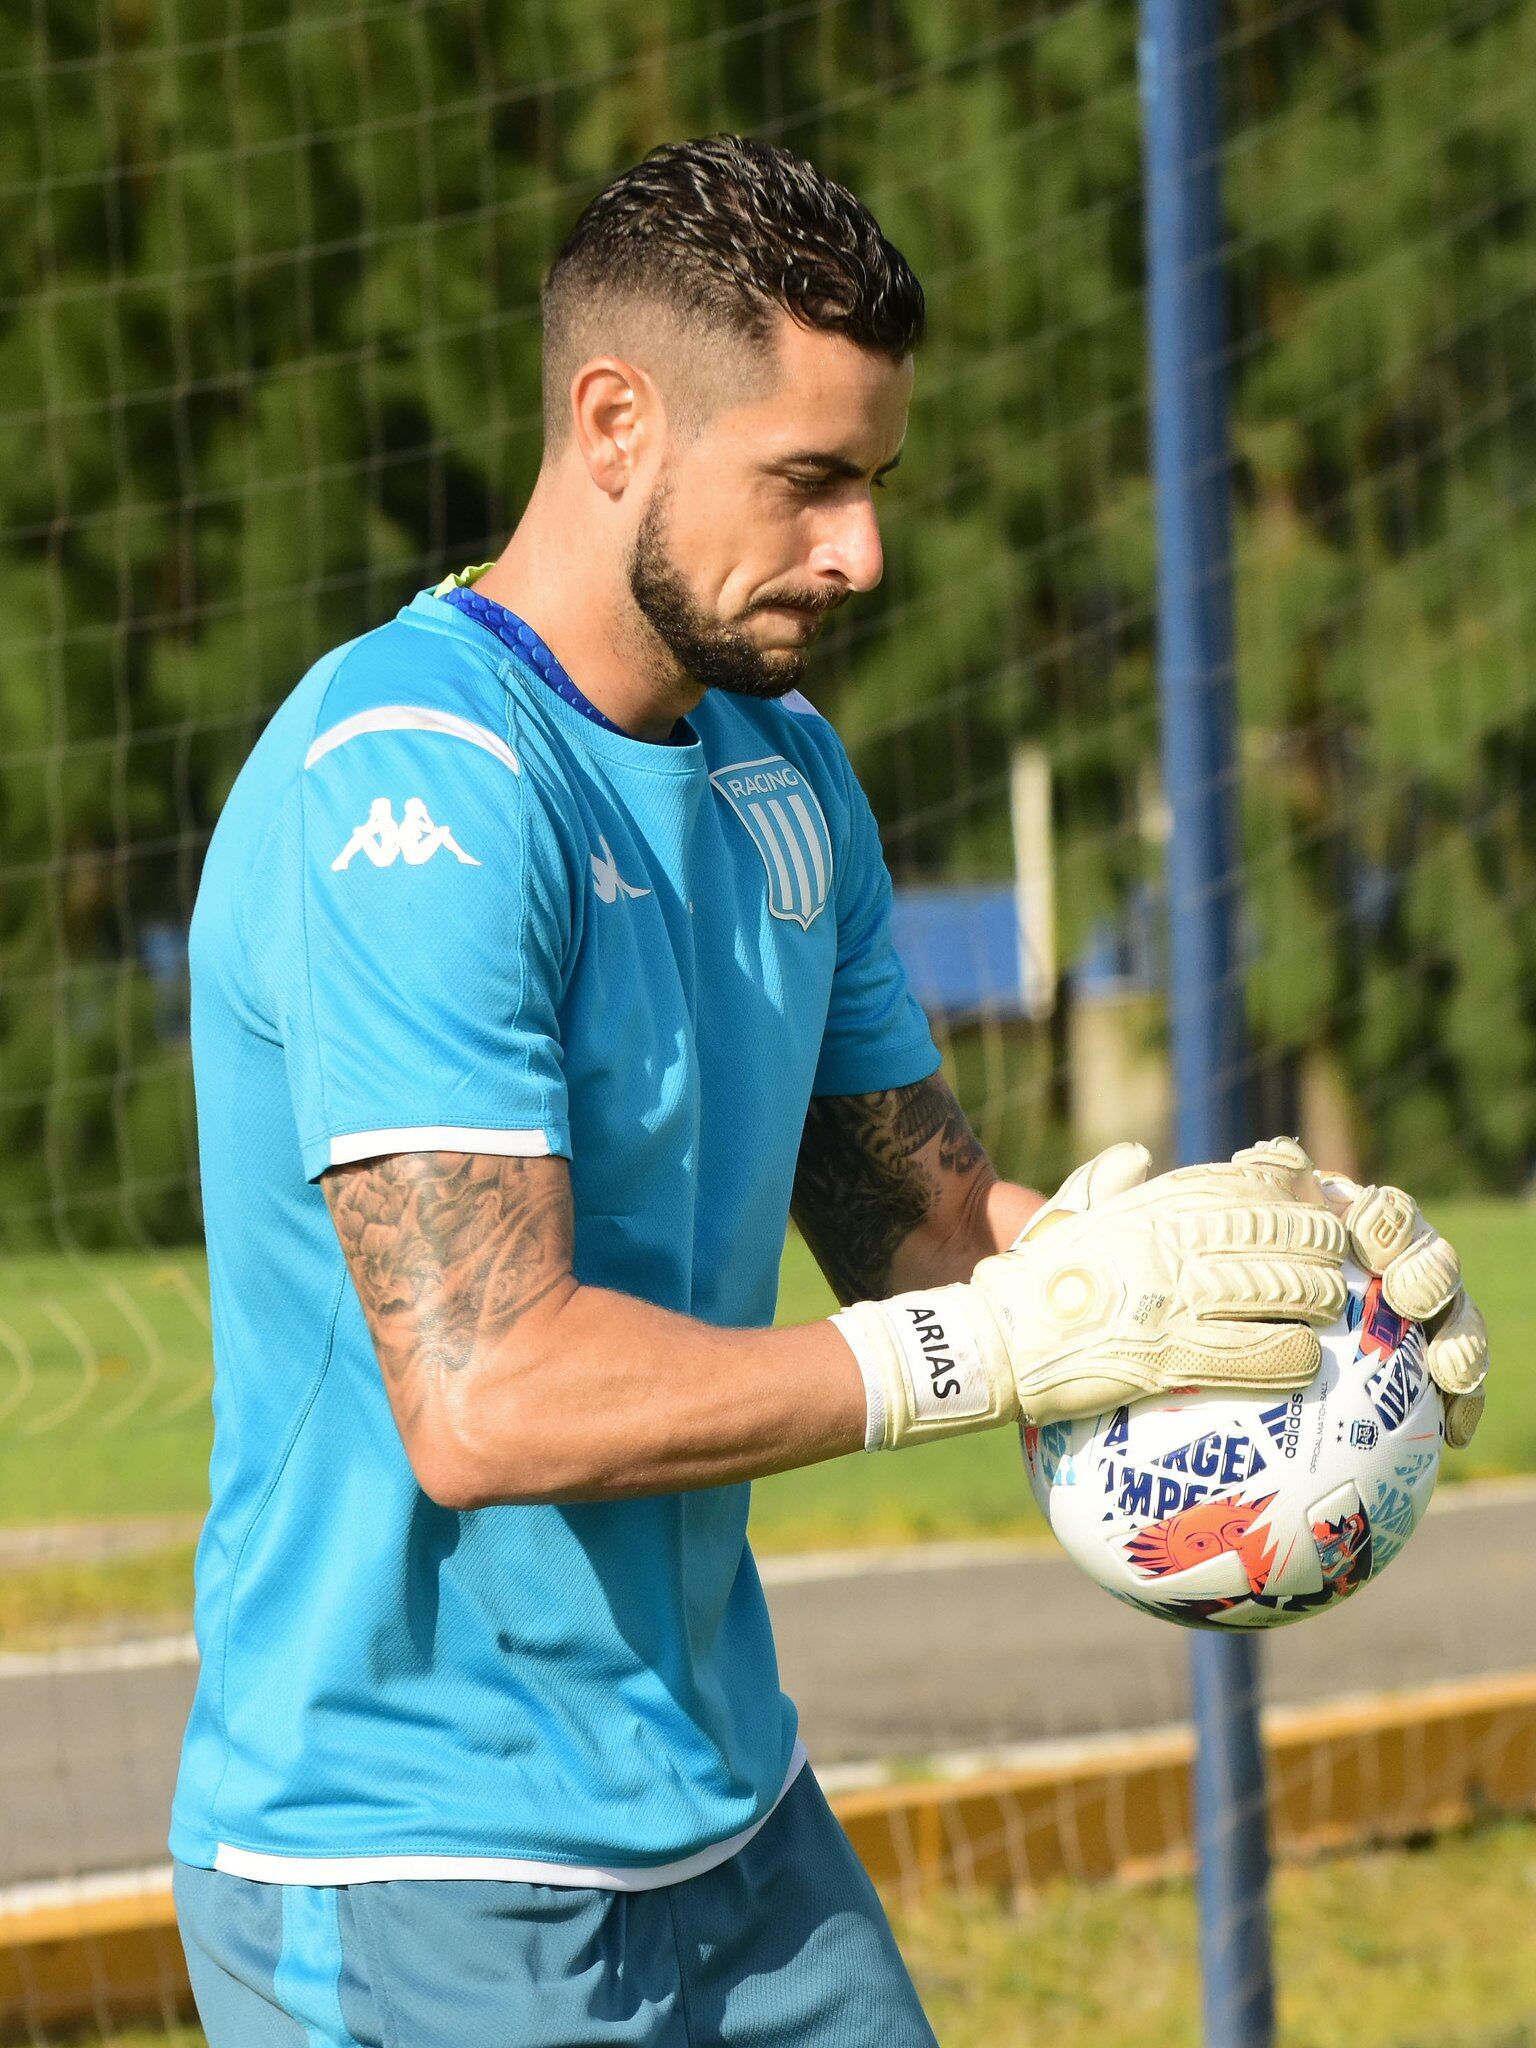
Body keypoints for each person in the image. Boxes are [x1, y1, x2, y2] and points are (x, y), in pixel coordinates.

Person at [171, 135, 1488, 2046]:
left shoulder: (785, 771)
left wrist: (1253, 1291)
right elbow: (490, 1394)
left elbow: (924, 1231)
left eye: (873, 483)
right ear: (613, 418)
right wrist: (994, 1355)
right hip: (413, 1867)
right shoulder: (415, 782)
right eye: (808, 483)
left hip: (737, 1827)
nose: (862, 550)